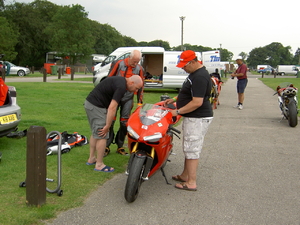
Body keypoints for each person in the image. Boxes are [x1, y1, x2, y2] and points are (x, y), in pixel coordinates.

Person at [164, 50, 213, 191]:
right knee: (188, 147)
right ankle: (185, 175)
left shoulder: (200, 77)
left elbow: (197, 102)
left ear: (192, 62)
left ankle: (191, 182)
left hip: (197, 118)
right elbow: (188, 93)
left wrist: (177, 111)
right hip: (193, 117)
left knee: (192, 149)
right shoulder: (194, 74)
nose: (183, 68)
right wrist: (174, 99)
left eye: (184, 66)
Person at [84, 75, 143, 172]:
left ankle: (91, 158)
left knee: (96, 132)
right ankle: (99, 164)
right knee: (102, 135)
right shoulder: (121, 87)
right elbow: (112, 107)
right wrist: (107, 125)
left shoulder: (120, 80)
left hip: (90, 104)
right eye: (136, 88)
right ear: (131, 83)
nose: (135, 91)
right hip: (96, 106)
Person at [105, 50, 144, 156]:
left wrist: (139, 102)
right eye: (134, 61)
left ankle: (120, 145)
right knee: (111, 120)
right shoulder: (119, 63)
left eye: (138, 62)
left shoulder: (139, 69)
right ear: (130, 57)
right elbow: (109, 78)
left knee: (124, 123)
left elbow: (141, 85)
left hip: (128, 98)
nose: (135, 64)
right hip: (114, 97)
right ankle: (106, 146)